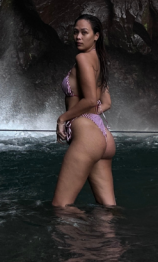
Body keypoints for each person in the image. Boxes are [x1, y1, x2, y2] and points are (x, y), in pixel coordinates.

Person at [53, 13, 116, 208]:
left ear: (96, 35)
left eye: (84, 32)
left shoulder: (82, 59)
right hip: (102, 136)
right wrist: (92, 116)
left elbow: (89, 100)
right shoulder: (99, 60)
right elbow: (106, 102)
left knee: (61, 207)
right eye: (75, 32)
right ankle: (112, 239)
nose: (78, 37)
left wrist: (62, 119)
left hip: (87, 135)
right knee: (109, 210)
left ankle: (85, 237)